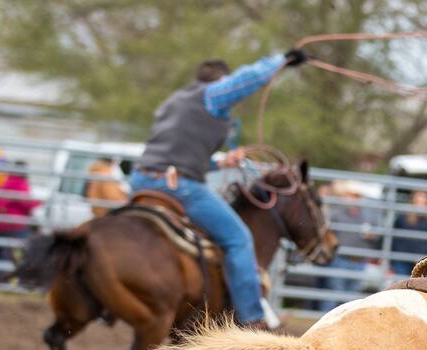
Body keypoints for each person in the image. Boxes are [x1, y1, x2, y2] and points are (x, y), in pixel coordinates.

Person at [129, 50, 307, 328]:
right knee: (238, 238)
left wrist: (222, 162)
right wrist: (281, 60)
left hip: (141, 180)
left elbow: (180, 154)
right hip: (179, 186)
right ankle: (252, 318)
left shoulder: (172, 102)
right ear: (221, 81)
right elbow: (249, 78)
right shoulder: (212, 95)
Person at [316, 182, 378, 312]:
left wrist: (372, 235)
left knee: (352, 300)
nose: (354, 199)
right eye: (351, 195)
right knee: (333, 295)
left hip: (359, 261)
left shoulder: (367, 216)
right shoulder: (337, 213)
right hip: (341, 259)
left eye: (356, 196)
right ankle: (324, 323)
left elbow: (377, 237)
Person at [0, 161, 39, 278]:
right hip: (16, 225)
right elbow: (26, 202)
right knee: (26, 251)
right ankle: (22, 277)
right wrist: (38, 203)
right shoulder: (20, 183)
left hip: (1, 224)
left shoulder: (6, 182)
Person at [390, 190, 427, 276]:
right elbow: (396, 242)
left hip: (426, 262)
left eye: (424, 199)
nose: (421, 202)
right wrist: (410, 257)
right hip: (404, 261)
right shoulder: (403, 219)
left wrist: (423, 258)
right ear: (413, 201)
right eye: (418, 199)